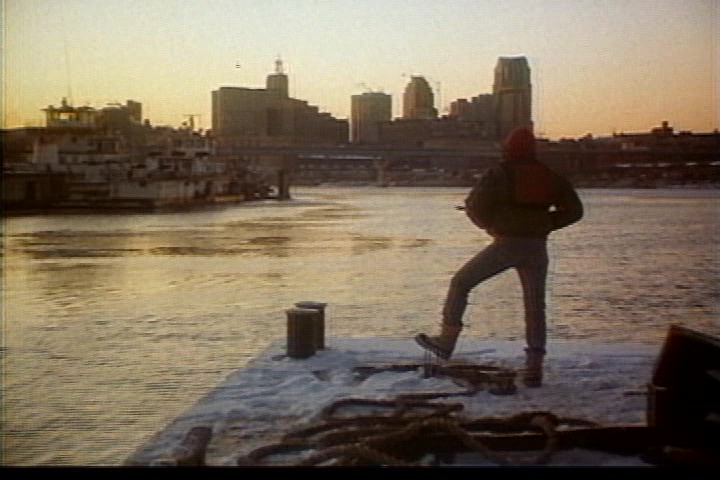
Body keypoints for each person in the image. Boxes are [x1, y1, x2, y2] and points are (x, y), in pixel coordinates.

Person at [415, 127, 584, 387]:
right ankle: (534, 367)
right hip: (538, 246)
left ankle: (446, 341)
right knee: (535, 306)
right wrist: (546, 222)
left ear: (508, 149)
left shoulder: (499, 174)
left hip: (506, 242)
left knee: (461, 283)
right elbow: (574, 211)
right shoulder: (551, 176)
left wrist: (490, 225)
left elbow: (474, 206)